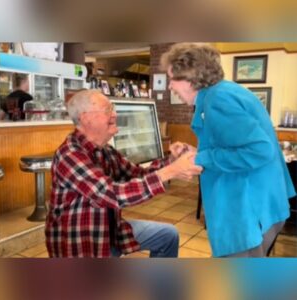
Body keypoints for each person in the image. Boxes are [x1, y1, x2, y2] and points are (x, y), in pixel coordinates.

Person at [160, 43, 296, 257]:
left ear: (191, 78)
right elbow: (231, 144)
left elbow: (258, 150)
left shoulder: (217, 99)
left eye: (172, 78)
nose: (170, 86)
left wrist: (201, 157)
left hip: (247, 211)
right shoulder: (225, 91)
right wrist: (195, 151)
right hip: (261, 201)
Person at [45, 89, 202, 258]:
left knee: (167, 235)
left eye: (112, 108)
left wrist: (171, 161)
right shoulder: (70, 154)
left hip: (111, 231)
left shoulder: (105, 150)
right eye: (108, 110)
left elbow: (138, 174)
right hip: (82, 245)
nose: (115, 114)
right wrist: (171, 171)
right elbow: (110, 194)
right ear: (85, 118)